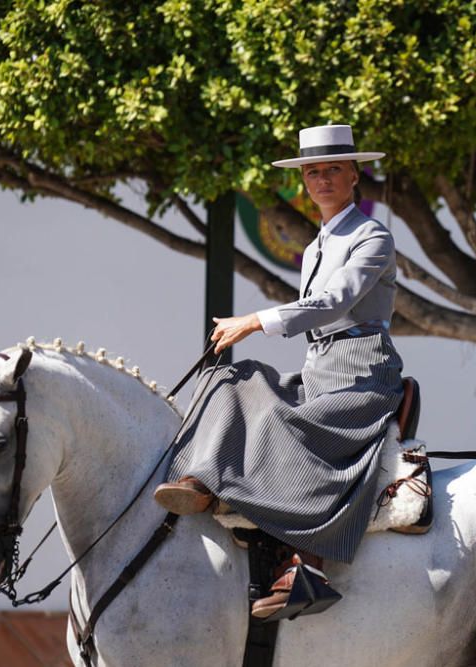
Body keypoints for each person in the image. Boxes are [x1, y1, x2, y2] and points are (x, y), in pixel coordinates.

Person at [154, 124, 404, 619]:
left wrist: (254, 320)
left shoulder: (373, 236)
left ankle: (309, 568)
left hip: (363, 374)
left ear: (354, 175)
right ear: (304, 182)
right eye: (313, 171)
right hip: (319, 371)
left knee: (285, 428)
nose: (323, 179)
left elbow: (333, 303)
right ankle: (201, 481)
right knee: (231, 380)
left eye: (333, 169)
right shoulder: (316, 246)